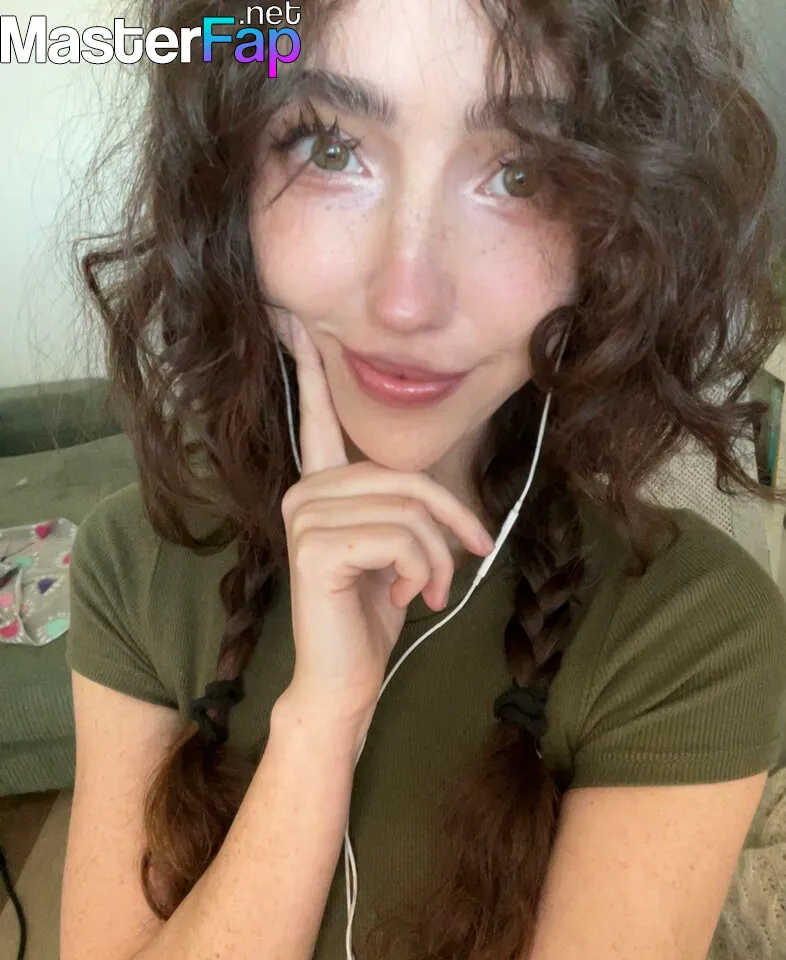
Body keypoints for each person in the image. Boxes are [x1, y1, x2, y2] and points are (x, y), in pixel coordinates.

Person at [59, 0, 786, 958]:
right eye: (328, 149)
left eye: (522, 173)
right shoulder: (137, 560)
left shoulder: (692, 629)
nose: (406, 300)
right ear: (225, 183)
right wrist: (321, 723)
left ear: (621, 230)